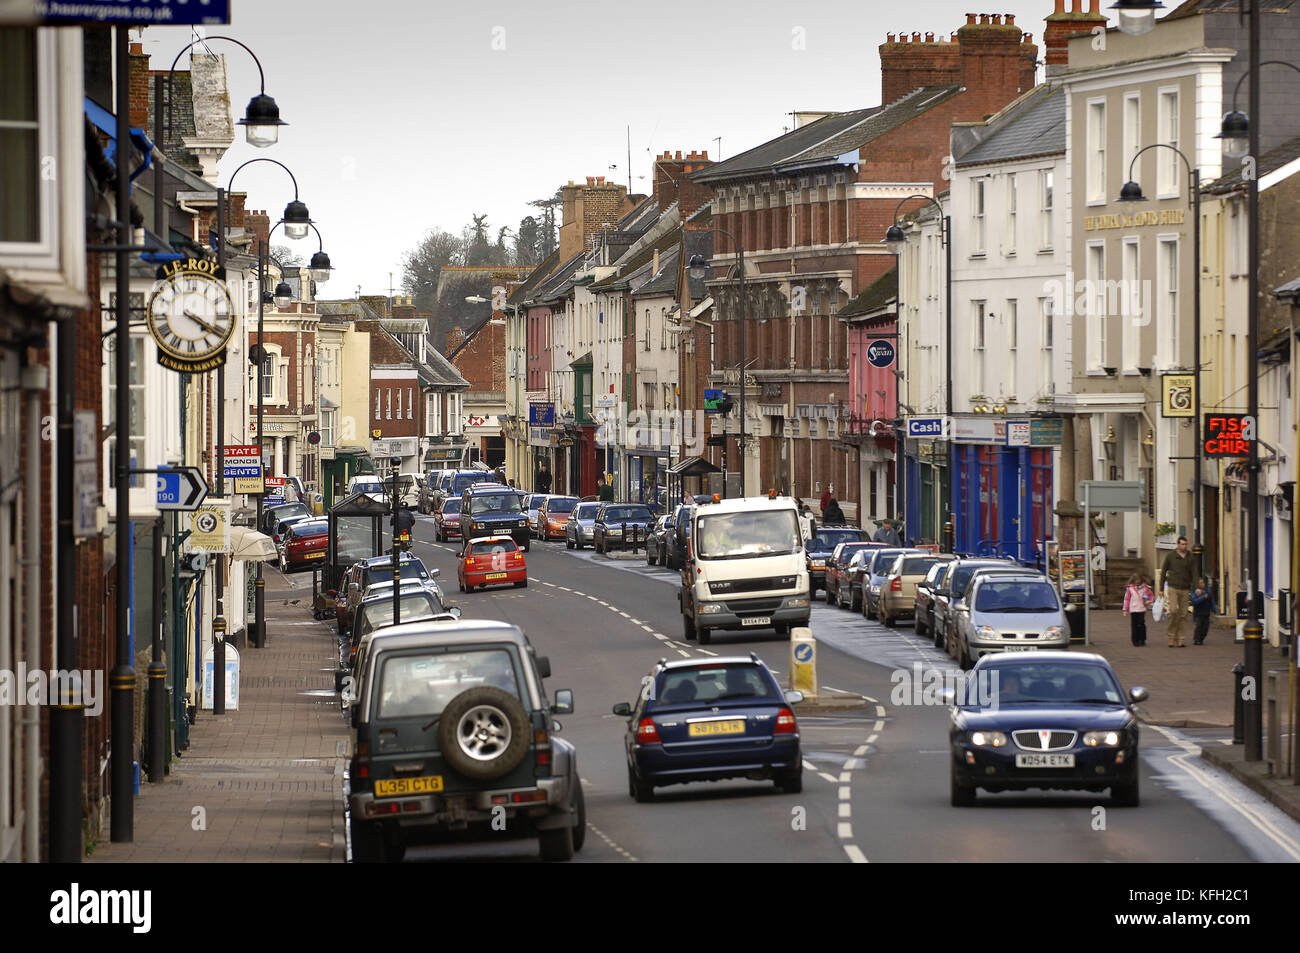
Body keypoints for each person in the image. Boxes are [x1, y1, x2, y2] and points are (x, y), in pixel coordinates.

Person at [1158, 536, 1195, 647]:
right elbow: (1164, 571)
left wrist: (1197, 587)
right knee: (1173, 611)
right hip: (1173, 586)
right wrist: (1160, 588)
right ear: (1178, 545)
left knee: (1183, 614)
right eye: (1182, 544)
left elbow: (1195, 572)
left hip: (1185, 587)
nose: (1184, 546)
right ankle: (1171, 636)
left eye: (1185, 544)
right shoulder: (1171, 556)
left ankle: (1181, 638)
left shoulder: (1190, 557)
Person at [1122, 571, 1154, 647]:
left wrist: (1149, 601)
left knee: (1141, 624)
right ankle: (1135, 640)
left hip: (1141, 608)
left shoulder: (1145, 588)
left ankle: (1142, 639)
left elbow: (1151, 596)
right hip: (1133, 609)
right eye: (1135, 582)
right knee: (1134, 625)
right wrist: (1125, 609)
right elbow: (1127, 599)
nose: (1137, 584)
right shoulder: (1130, 589)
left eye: (1138, 582)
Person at [1190, 576, 1217, 645]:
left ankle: (1201, 639)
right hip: (1198, 612)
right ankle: (1196, 639)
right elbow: (1194, 601)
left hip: (1206, 612)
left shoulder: (1207, 591)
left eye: (1202, 583)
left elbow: (1211, 600)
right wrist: (1203, 597)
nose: (1201, 584)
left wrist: (1214, 608)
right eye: (1200, 583)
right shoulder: (1195, 591)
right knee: (1198, 626)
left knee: (1205, 627)